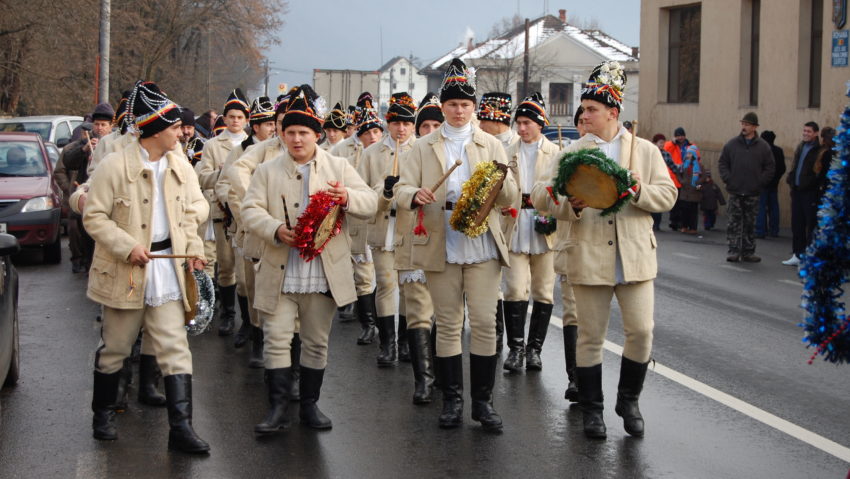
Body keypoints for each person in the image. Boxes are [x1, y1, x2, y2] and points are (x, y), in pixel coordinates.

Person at [532, 61, 677, 439]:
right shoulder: (571, 152)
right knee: (590, 335)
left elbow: (668, 194)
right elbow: (538, 195)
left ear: (613, 112)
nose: (585, 114)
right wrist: (569, 204)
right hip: (588, 253)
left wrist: (638, 192)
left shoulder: (643, 150)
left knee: (642, 331)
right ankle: (592, 410)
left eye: (592, 109)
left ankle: (628, 400)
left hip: (634, 257)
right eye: (583, 109)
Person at [241, 84, 377, 435]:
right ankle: (276, 407)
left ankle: (310, 406)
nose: (297, 139)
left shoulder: (338, 165)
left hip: (323, 272)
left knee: (316, 340)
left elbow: (370, 203)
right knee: (277, 337)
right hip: (280, 268)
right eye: (290, 132)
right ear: (282, 134)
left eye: (304, 133)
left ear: (317, 134)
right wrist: (274, 228)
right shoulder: (267, 170)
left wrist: (346, 196)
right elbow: (249, 210)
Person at [84, 80, 210, 453]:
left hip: (168, 268)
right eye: (173, 128)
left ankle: (181, 429)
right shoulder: (113, 165)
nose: (180, 133)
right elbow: (94, 217)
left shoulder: (181, 163)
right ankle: (103, 413)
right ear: (155, 129)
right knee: (117, 348)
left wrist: (193, 250)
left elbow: (193, 211)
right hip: (126, 269)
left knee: (175, 347)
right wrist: (127, 247)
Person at [395, 58, 519, 432]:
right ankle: (452, 400)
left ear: (473, 107)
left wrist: (502, 184)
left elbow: (508, 194)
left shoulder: (491, 142)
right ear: (442, 107)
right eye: (452, 105)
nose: (460, 111)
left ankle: (483, 402)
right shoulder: (422, 146)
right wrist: (412, 194)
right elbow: (401, 188)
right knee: (448, 322)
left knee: (483, 321)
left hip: (481, 240)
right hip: (441, 237)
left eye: (466, 105)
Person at [225, 95, 294, 380]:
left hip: (293, 234)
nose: (280, 129)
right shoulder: (257, 149)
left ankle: (289, 359)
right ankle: (257, 337)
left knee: (290, 295)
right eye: (277, 124)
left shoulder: (310, 151)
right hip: (258, 230)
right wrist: (255, 204)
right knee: (252, 286)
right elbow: (233, 176)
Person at [500, 92, 560, 372]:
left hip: (544, 226)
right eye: (518, 123)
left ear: (540, 123)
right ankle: (516, 348)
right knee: (514, 288)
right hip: (514, 224)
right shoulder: (507, 152)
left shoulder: (555, 152)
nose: (522, 128)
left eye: (527, 123)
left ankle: (535, 350)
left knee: (543, 291)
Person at [358, 92, 418, 366]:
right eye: (396, 123)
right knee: (385, 284)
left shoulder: (421, 150)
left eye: (407, 123)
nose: (401, 129)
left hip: (409, 226)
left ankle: (405, 342)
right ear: (388, 123)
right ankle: (387, 345)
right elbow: (361, 192)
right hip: (382, 225)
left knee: (407, 286)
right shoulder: (371, 153)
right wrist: (382, 189)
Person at [393, 91, 444, 404]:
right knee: (417, 313)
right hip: (414, 237)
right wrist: (410, 193)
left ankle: (443, 373)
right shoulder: (411, 154)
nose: (429, 132)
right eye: (423, 126)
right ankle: (423, 380)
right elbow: (397, 191)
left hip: (446, 243)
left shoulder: (457, 152)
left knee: (446, 314)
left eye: (434, 125)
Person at [216, 96, 277, 357]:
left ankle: (263, 337)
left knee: (268, 283)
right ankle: (249, 326)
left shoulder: (279, 151)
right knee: (244, 282)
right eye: (266, 124)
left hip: (275, 228)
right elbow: (225, 186)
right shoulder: (239, 152)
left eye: (274, 123)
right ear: (256, 126)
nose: (272, 128)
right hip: (245, 227)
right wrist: (246, 216)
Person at [330, 92, 384, 345]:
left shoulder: (387, 150)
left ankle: (388, 328)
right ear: (358, 133)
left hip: (382, 217)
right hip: (354, 217)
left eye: (376, 132)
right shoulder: (342, 150)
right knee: (362, 272)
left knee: (385, 275)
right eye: (367, 132)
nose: (373, 137)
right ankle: (369, 324)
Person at [197, 89, 250, 335]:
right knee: (226, 265)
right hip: (221, 212)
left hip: (248, 214)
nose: (235, 121)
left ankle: (249, 321)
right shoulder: (212, 144)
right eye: (231, 116)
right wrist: (222, 172)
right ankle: (228, 315)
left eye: (240, 117)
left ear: (246, 120)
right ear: (225, 118)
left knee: (245, 268)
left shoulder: (253, 144)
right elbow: (202, 177)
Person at [62, 103, 115, 272]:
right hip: (86, 194)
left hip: (106, 197)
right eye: (97, 124)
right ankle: (87, 262)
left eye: (103, 125)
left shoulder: (116, 144)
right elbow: (68, 161)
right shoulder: (83, 141)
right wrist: (84, 149)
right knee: (83, 232)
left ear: (111, 126)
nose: (99, 128)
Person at [718, 112, 774, 263]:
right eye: (743, 124)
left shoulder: (763, 147)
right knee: (733, 222)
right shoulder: (732, 144)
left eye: (747, 124)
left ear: (754, 127)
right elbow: (723, 163)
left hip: (752, 191)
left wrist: (760, 182)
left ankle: (748, 251)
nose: (744, 127)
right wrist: (728, 179)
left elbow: (770, 167)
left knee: (750, 223)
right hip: (735, 190)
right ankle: (734, 250)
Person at [783, 122, 825, 266]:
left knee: (811, 224)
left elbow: (818, 173)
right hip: (797, 191)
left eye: (809, 131)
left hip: (810, 193)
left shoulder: (820, 151)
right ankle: (797, 254)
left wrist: (810, 183)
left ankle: (810, 255)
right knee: (797, 224)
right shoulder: (801, 147)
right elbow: (795, 165)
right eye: (804, 130)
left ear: (815, 133)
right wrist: (791, 179)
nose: (805, 133)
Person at [756, 131, 786, 238]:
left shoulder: (762, 151)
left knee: (761, 206)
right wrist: (776, 179)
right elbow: (782, 168)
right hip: (774, 183)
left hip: (763, 183)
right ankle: (774, 229)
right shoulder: (778, 151)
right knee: (774, 206)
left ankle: (760, 230)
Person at [663, 127, 691, 231]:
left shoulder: (689, 146)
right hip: (674, 177)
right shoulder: (671, 145)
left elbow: (696, 155)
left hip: (686, 175)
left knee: (683, 203)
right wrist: (672, 143)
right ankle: (674, 222)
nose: (680, 138)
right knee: (675, 202)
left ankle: (681, 222)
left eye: (682, 135)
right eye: (678, 136)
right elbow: (665, 149)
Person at [651, 133, 678, 231]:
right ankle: (650, 223)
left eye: (663, 143)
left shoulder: (666, 154)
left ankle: (656, 224)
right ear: (654, 143)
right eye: (660, 142)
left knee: (658, 203)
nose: (662, 145)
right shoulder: (650, 153)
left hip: (661, 181)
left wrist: (680, 170)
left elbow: (673, 166)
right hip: (650, 181)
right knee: (650, 202)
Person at [676, 145, 703, 235]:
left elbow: (704, 178)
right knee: (684, 211)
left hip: (694, 192)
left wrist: (698, 184)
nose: (688, 155)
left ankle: (693, 227)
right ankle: (684, 226)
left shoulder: (699, 166)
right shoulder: (684, 165)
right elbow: (678, 173)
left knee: (693, 212)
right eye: (687, 153)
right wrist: (681, 181)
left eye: (690, 154)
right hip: (685, 192)